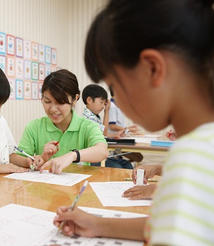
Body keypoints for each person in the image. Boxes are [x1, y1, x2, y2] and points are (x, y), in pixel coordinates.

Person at [53, 0, 214, 245]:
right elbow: (167, 225)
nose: (115, 101)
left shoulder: (194, 156)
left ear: (152, 68)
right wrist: (97, 224)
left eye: (115, 86)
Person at [18, 69, 109, 174]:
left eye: (60, 102)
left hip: (77, 188)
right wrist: (35, 160)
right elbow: (18, 158)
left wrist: (72, 156)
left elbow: (103, 151)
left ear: (75, 99)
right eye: (47, 101)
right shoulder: (34, 127)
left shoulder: (87, 126)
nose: (52, 109)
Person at [82, 84, 133, 169]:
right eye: (101, 102)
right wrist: (106, 112)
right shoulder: (88, 118)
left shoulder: (94, 116)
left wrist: (116, 134)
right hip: (92, 158)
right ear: (89, 100)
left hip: (99, 155)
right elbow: (103, 133)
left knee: (127, 165)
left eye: (104, 103)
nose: (103, 106)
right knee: (117, 167)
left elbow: (101, 134)